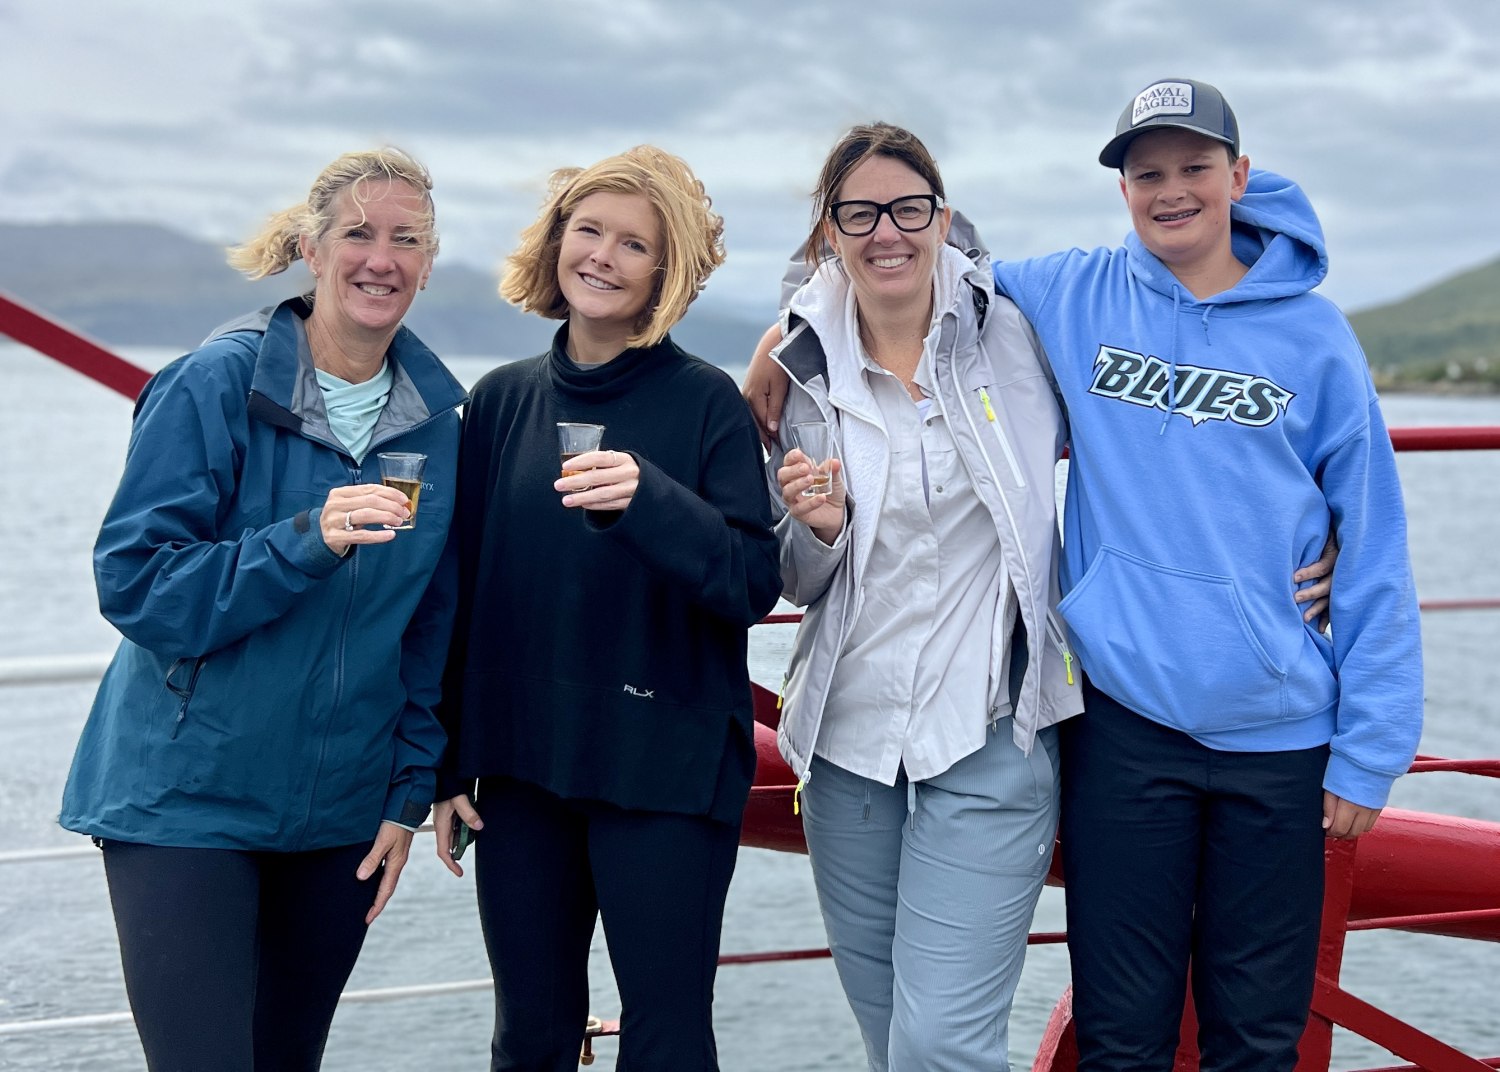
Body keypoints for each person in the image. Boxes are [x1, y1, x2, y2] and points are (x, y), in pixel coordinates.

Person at [746, 79, 1417, 1072]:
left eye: (1195, 168)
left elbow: (1374, 543)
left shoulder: (1315, 337)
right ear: (1123, 189)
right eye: (1149, 173)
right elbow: (906, 261)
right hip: (1125, 723)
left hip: (1277, 727)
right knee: (1119, 1028)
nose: (1172, 190)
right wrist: (779, 337)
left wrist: (1373, 746)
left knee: (1260, 1027)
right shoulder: (1075, 292)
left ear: (1241, 176)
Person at [58, 147, 464, 1072]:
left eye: (407, 239)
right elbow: (135, 582)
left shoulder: (445, 424)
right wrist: (303, 540)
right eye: (357, 233)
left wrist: (407, 791)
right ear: (308, 249)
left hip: (340, 819)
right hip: (185, 804)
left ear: (429, 264)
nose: (381, 258)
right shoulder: (213, 383)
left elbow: (431, 628)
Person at [431, 145, 782, 1072]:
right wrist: (448, 759)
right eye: (588, 230)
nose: (603, 256)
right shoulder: (501, 402)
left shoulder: (706, 403)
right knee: (529, 1037)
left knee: (665, 1043)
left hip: (663, 773)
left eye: (634, 244)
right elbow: (462, 593)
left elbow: (753, 582)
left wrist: (649, 504)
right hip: (520, 770)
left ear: (666, 273)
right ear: (556, 243)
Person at [754, 122, 1084, 1072]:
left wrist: (1316, 515)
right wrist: (817, 530)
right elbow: (797, 580)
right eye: (859, 213)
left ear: (944, 218)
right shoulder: (801, 371)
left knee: (943, 1044)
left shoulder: (1020, 335)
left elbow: (1153, 410)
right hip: (848, 742)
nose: (886, 231)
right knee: (889, 1035)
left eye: (908, 207)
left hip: (988, 733)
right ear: (829, 232)